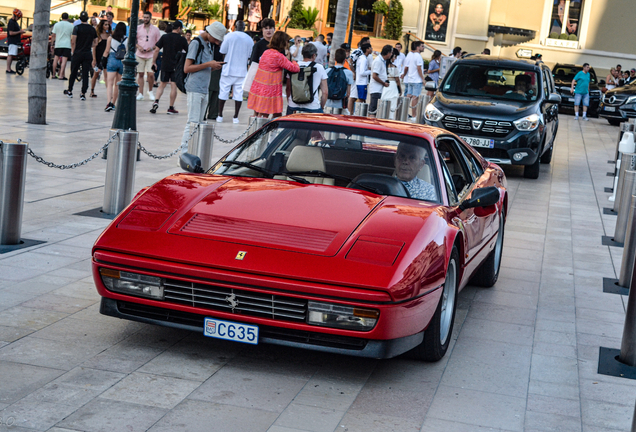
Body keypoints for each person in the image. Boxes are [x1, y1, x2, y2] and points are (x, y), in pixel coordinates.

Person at [181, 22, 225, 154]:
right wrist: (208, 64)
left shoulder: (209, 45)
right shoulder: (196, 43)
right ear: (210, 33)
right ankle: (184, 153)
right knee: (192, 122)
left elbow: (203, 69)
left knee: (200, 123)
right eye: (216, 38)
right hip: (195, 88)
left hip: (204, 88)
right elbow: (187, 68)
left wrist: (212, 67)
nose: (217, 42)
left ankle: (194, 151)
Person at [248, 31, 300, 118]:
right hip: (270, 90)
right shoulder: (279, 56)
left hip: (260, 87)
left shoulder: (266, 52)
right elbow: (294, 68)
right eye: (287, 41)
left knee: (263, 113)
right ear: (282, 42)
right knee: (266, 115)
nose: (288, 44)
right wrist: (295, 62)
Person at [217, 20, 253, 123]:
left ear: (235, 27)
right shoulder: (249, 39)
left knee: (223, 92)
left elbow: (222, 51)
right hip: (241, 71)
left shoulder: (229, 36)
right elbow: (250, 56)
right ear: (244, 27)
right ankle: (235, 117)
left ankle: (220, 115)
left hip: (228, 69)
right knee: (238, 95)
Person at [150, 20, 188, 115]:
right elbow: (188, 52)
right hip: (176, 64)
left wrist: (154, 62)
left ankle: (156, 101)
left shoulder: (165, 37)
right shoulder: (182, 39)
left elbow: (156, 50)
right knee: (173, 85)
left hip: (165, 63)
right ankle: (171, 107)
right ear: (179, 28)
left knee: (162, 84)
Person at [286, 43, 328, 114]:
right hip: (313, 106)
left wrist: (290, 101)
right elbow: (325, 92)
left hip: (293, 105)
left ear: (302, 54)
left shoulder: (293, 66)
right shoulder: (319, 67)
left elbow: (288, 88)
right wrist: (321, 107)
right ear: (314, 55)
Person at [65, 11, 98, 100]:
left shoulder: (77, 28)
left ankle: (70, 90)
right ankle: (83, 93)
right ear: (87, 18)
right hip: (87, 53)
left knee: (73, 72)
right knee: (85, 73)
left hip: (77, 53)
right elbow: (96, 42)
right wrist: (89, 45)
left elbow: (73, 41)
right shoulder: (92, 29)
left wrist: (73, 51)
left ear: (80, 19)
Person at [243, 18, 275, 93]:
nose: (268, 31)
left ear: (274, 29)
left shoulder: (278, 45)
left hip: (274, 80)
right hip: (261, 79)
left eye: (270, 28)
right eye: (266, 28)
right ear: (262, 30)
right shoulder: (258, 45)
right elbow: (252, 64)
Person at [136, 11, 161, 101]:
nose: (145, 19)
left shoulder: (155, 29)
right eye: (144, 17)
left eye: (147, 17)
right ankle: (140, 93)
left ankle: (150, 91)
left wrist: (152, 48)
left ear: (150, 18)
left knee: (151, 74)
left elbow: (159, 43)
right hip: (140, 54)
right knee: (141, 74)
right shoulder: (138, 28)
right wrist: (139, 47)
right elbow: (134, 41)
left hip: (151, 55)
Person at [102, 22, 127, 111]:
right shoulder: (126, 39)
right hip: (122, 61)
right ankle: (113, 103)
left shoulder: (110, 38)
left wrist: (103, 61)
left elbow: (107, 51)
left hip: (112, 59)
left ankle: (108, 102)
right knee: (117, 84)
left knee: (110, 83)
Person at [325, 48, 353, 113]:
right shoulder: (348, 73)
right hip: (340, 104)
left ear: (335, 59)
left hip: (328, 103)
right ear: (344, 59)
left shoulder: (327, 71)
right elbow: (348, 93)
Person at [368, 45, 393, 118]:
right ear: (388, 53)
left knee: (376, 109)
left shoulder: (383, 61)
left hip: (379, 89)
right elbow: (374, 75)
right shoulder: (378, 61)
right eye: (391, 53)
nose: (391, 54)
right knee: (373, 109)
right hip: (376, 89)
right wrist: (383, 83)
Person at [401, 41, 425, 115]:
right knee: (415, 97)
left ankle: (404, 113)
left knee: (409, 96)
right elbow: (418, 68)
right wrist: (423, 79)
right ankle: (414, 115)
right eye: (422, 46)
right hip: (416, 80)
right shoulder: (418, 56)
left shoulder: (412, 55)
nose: (423, 48)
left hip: (410, 79)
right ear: (418, 47)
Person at [90, 18, 111, 97]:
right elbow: (94, 48)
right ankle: (92, 91)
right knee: (95, 74)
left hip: (107, 57)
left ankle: (109, 92)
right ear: (102, 26)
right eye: (105, 24)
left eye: (108, 24)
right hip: (99, 57)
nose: (107, 26)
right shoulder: (98, 36)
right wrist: (94, 59)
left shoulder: (110, 35)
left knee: (106, 76)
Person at [51, 13, 73, 80]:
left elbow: (53, 35)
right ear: (68, 17)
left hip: (58, 44)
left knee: (55, 59)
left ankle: (53, 74)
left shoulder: (57, 24)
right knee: (64, 61)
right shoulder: (71, 26)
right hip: (67, 45)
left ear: (61, 17)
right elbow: (72, 36)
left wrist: (52, 44)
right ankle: (61, 75)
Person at [381, 48, 402, 118]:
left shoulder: (384, 65)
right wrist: (400, 90)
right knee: (392, 103)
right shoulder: (394, 67)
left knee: (384, 101)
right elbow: (397, 80)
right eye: (395, 57)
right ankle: (390, 117)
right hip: (392, 85)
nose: (395, 59)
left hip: (385, 84)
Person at [6, 9, 25, 74]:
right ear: (14, 15)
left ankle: (9, 68)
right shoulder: (11, 22)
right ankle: (8, 69)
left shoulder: (14, 22)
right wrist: (20, 31)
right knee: (10, 55)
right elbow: (11, 33)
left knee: (12, 55)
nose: (19, 19)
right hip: (12, 41)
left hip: (15, 41)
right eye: (18, 17)